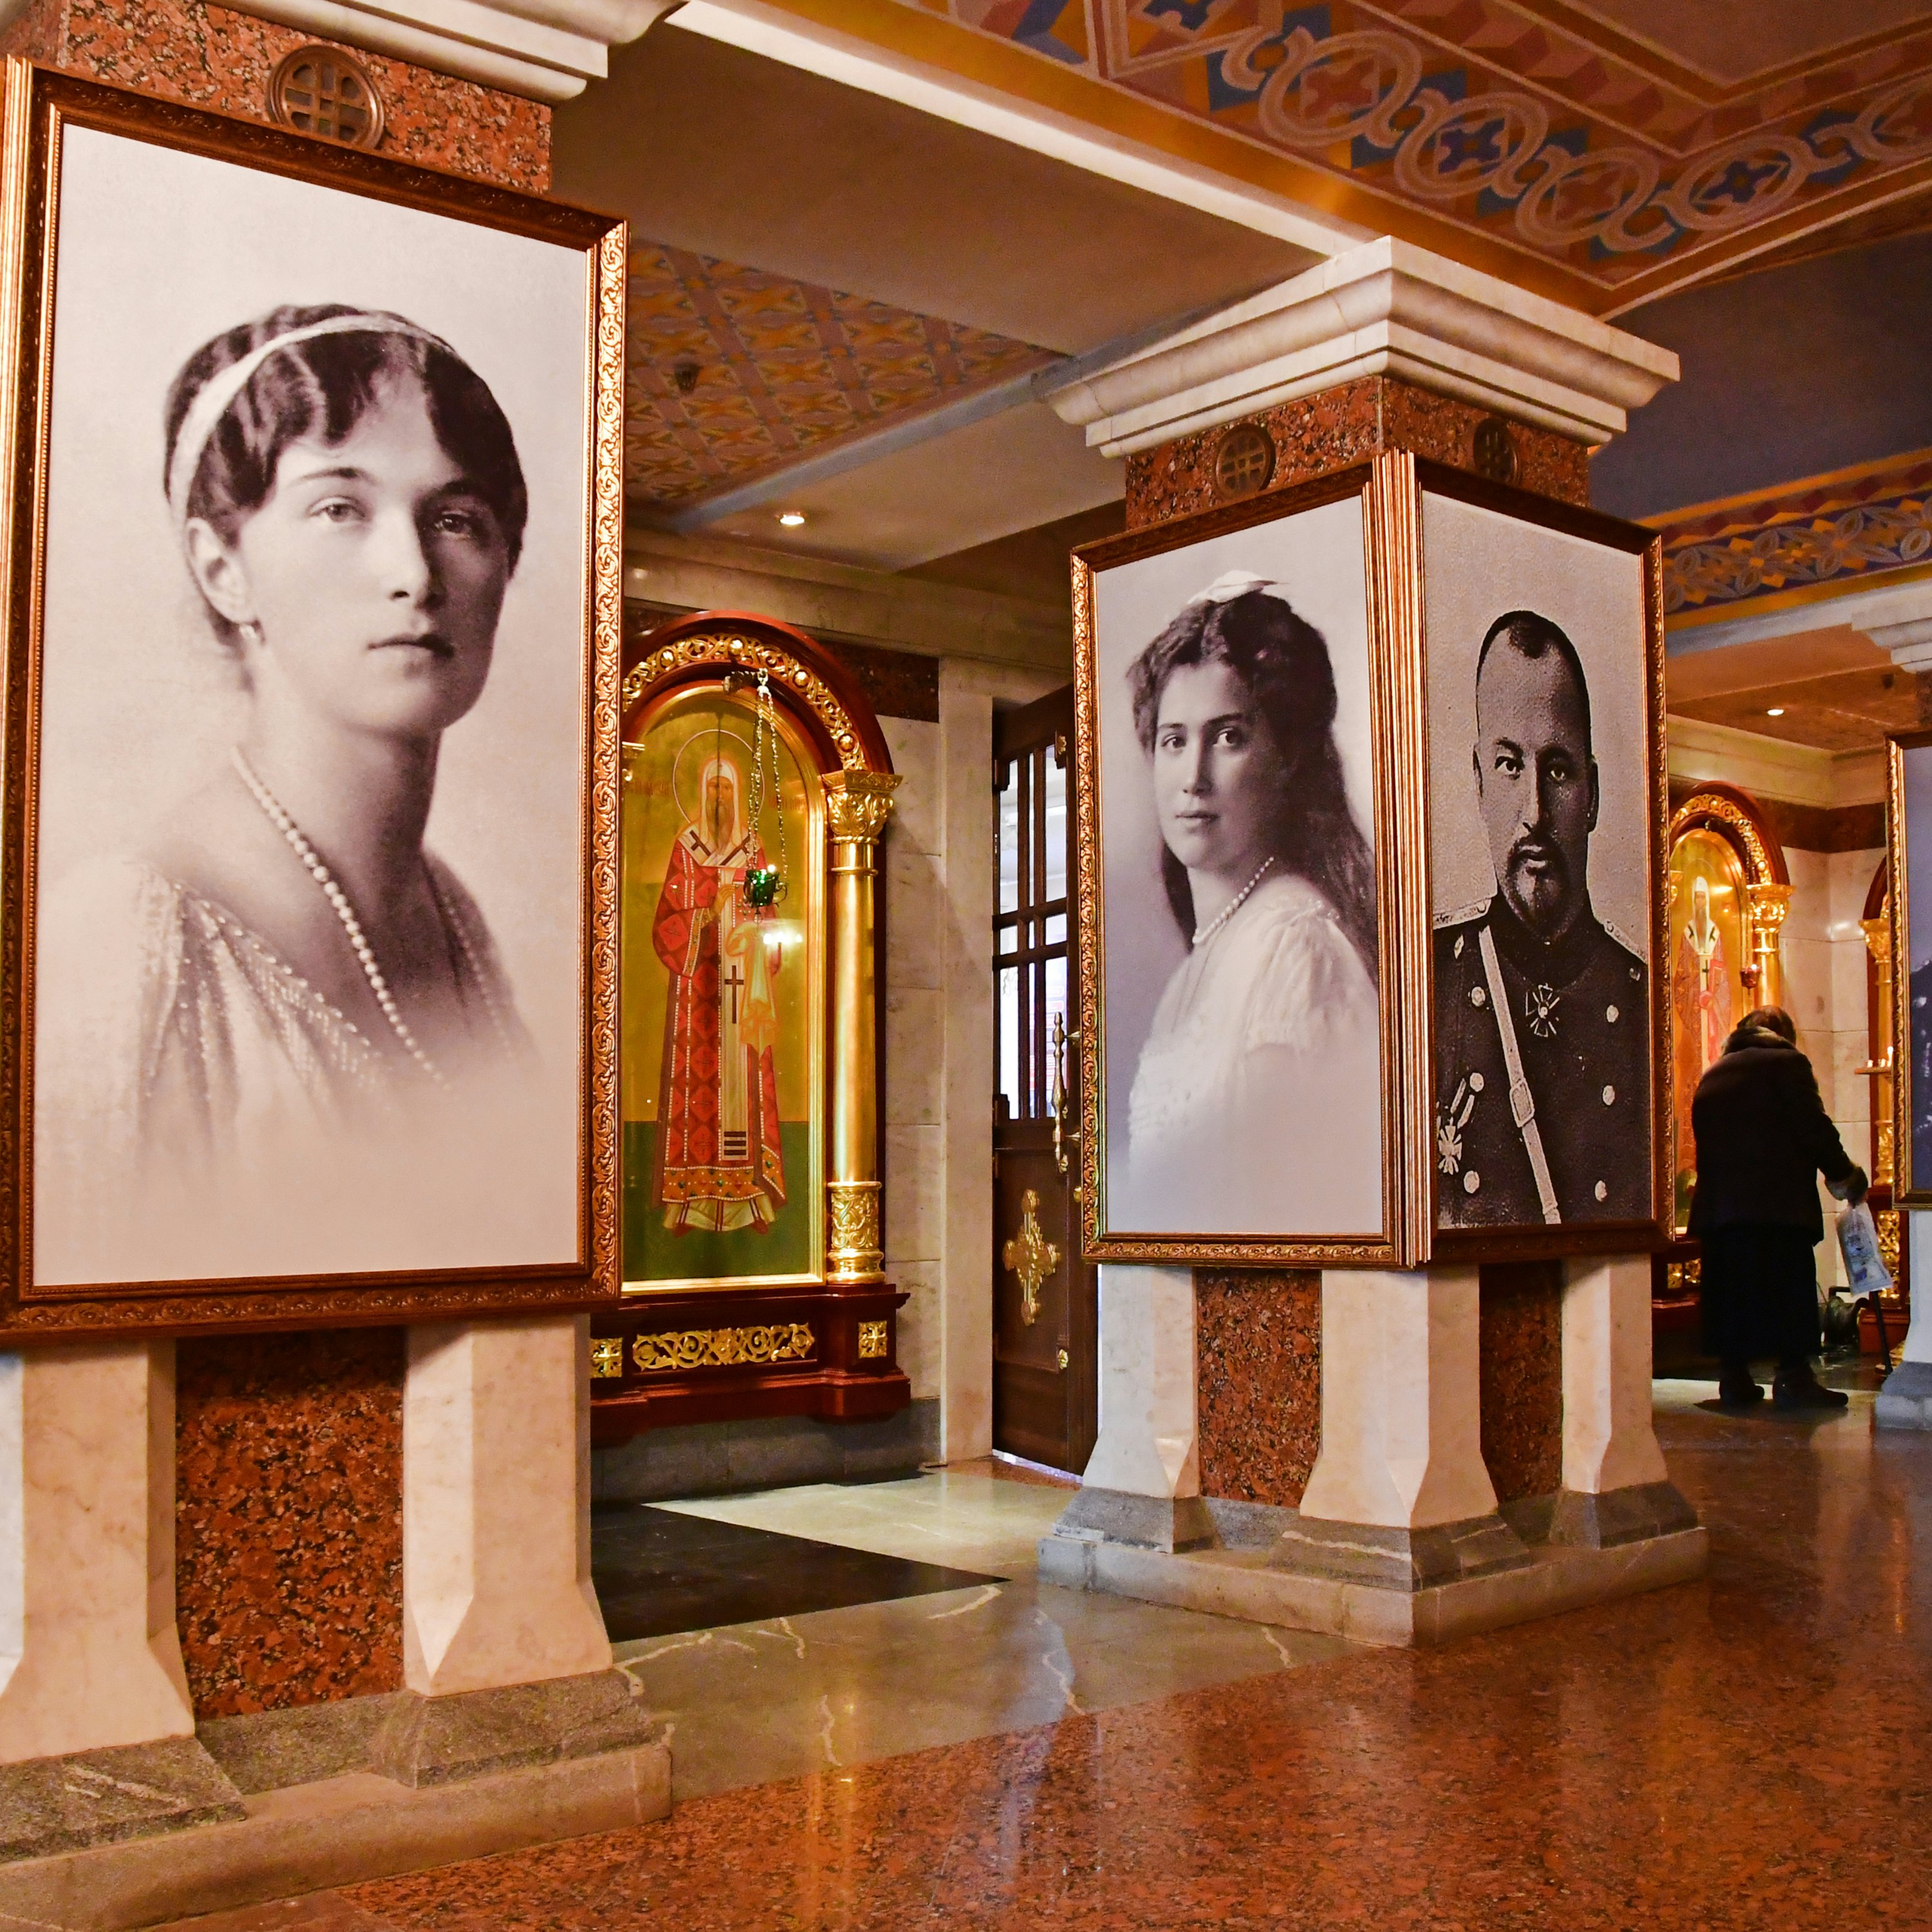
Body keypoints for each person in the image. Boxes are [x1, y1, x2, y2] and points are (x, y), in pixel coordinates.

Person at [35, 303, 537, 1283]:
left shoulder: (456, 918)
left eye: (455, 518)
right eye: (339, 507)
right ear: (224, 570)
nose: (414, 574)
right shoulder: (132, 943)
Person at [1122, 571, 1381, 1235]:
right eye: (1174, 741)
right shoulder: (1215, 947)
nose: (1193, 778)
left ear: (1288, 755)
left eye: (1229, 737)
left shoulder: (1295, 945)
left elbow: (1296, 1207)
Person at [1434, 609, 1650, 1226]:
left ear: (1594, 796)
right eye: (1509, 765)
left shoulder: (1639, 999)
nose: (1533, 811)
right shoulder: (1426, 984)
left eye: (1557, 770)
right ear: (1478, 782)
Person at [1688, 1006, 1862, 1411]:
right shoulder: (1788, 1064)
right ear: (1785, 1034)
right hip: (1776, 1210)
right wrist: (1845, 1176)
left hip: (1721, 1213)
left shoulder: (1713, 1074)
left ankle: (1734, 1380)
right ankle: (1793, 1378)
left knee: (1732, 1295)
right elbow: (1814, 1129)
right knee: (1787, 1291)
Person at [651, 745, 786, 1234]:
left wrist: (752, 934)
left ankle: (751, 1198)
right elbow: (666, 923)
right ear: (699, 792)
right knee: (695, 1084)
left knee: (744, 1077)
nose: (719, 796)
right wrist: (708, 913)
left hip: (742, 988)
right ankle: (686, 1202)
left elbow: (769, 920)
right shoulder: (685, 849)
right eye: (712, 785)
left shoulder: (754, 853)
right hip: (699, 996)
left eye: (727, 786)